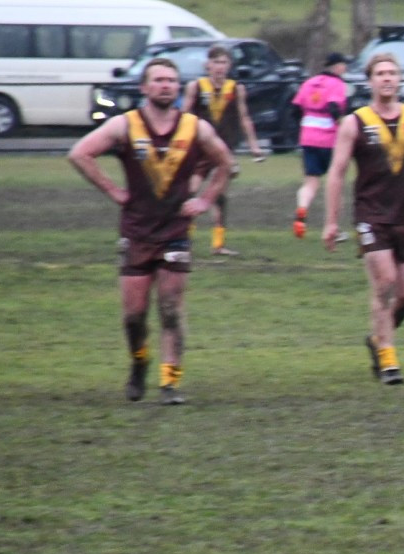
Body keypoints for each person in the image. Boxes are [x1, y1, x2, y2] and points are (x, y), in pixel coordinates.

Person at [67, 57, 234, 404]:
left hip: (175, 230)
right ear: (144, 87)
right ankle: (139, 360)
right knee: (133, 315)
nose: (165, 85)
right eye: (158, 80)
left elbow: (226, 163)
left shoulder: (194, 127)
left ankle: (170, 382)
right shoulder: (125, 125)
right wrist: (113, 191)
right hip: (137, 231)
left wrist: (204, 201)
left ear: (177, 86)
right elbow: (80, 153)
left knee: (171, 308)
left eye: (171, 80)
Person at [321, 52, 404, 385]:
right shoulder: (355, 123)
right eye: (380, 73)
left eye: (392, 72)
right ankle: (389, 360)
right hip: (371, 216)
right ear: (370, 80)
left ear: (399, 79)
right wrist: (331, 221)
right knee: (386, 283)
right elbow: (336, 173)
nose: (387, 78)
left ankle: (377, 337)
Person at [181, 43, 265, 256]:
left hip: (224, 151)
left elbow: (244, 118)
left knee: (220, 195)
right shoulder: (196, 86)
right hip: (198, 150)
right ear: (207, 64)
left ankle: (218, 244)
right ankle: (184, 239)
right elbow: (183, 117)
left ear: (229, 65)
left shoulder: (236, 88)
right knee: (189, 192)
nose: (220, 67)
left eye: (224, 62)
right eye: (216, 62)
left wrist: (254, 146)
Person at [291, 52, 349, 239]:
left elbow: (294, 110)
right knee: (335, 182)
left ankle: (302, 209)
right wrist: (343, 125)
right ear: (337, 66)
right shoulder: (338, 84)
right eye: (343, 65)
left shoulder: (309, 82)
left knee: (311, 183)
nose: (345, 68)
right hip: (329, 141)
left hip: (308, 138)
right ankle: (333, 227)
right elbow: (333, 108)